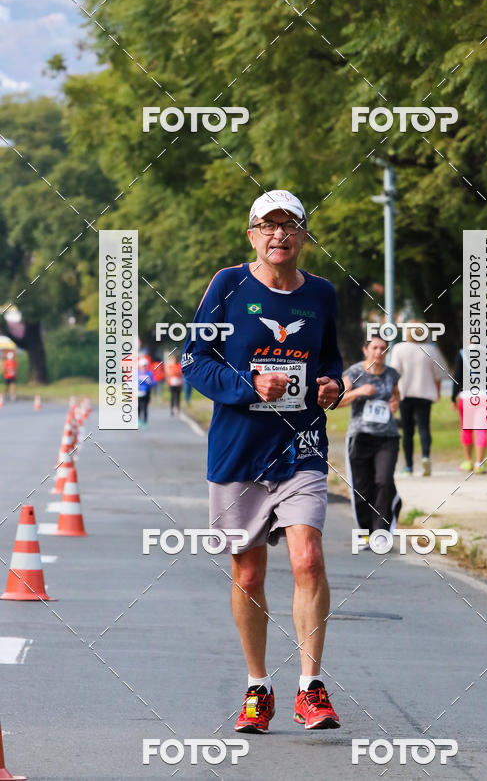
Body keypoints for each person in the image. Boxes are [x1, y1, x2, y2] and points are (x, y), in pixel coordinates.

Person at [182, 189, 344, 735]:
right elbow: (194, 363)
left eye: (290, 225)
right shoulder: (228, 287)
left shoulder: (322, 294)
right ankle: (258, 687)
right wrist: (249, 385)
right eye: (268, 226)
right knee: (249, 571)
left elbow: (333, 363)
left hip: (302, 447)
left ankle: (309, 688)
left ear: (304, 234)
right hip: (238, 451)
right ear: (252, 234)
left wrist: (333, 386)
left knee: (308, 559)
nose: (280, 235)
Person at [338, 334, 402, 547]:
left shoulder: (392, 374)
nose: (379, 352)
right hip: (360, 437)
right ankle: (365, 531)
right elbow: (337, 401)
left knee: (383, 481)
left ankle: (381, 533)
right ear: (366, 350)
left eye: (383, 348)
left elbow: (396, 396)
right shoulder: (355, 373)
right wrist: (358, 392)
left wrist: (394, 404)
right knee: (362, 487)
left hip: (387, 437)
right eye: (375, 348)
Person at [390, 322, 446, 476]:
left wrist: (394, 394)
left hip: (405, 394)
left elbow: (395, 372)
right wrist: (438, 392)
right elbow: (439, 375)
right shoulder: (431, 350)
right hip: (425, 394)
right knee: (424, 427)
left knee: (407, 431)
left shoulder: (399, 348)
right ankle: (425, 457)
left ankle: (408, 466)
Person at [451, 349, 487, 473]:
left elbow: (457, 377)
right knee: (481, 430)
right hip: (483, 396)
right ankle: (479, 464)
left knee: (466, 430)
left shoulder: (462, 353)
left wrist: (453, 397)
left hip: (466, 396)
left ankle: (468, 462)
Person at [138, 353, 155, 427]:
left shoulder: (149, 373)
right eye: (142, 366)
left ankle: (145, 421)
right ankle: (138, 420)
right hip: (138, 392)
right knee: (139, 406)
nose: (144, 367)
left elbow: (154, 382)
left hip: (147, 392)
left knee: (145, 407)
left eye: (145, 365)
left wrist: (150, 382)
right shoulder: (137, 373)